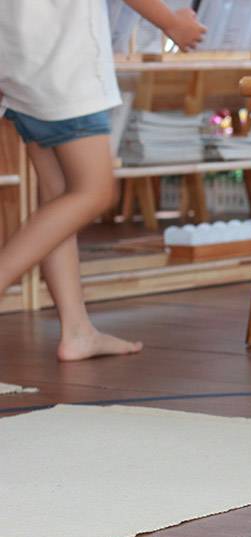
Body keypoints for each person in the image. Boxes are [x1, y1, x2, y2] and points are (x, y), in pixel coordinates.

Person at [0, 1, 205, 361]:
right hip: (65, 69)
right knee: (94, 192)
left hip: (21, 64)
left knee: (59, 200)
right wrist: (172, 23)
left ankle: (77, 331)